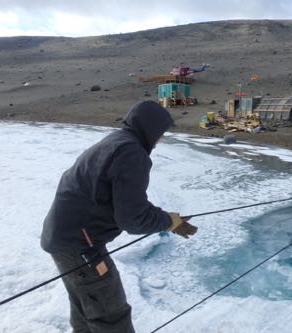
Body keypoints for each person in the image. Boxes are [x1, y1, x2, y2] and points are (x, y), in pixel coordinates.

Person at [41, 100, 198, 333]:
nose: (160, 140)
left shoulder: (117, 141)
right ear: (151, 128)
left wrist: (166, 219)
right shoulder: (132, 154)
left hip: (65, 238)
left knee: (86, 308)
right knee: (111, 315)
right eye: (161, 133)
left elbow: (124, 201)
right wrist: (168, 221)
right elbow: (132, 218)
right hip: (79, 244)